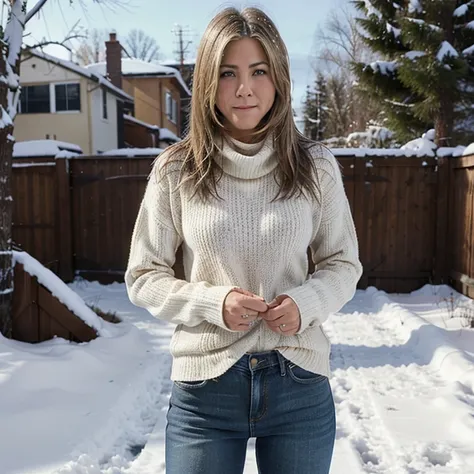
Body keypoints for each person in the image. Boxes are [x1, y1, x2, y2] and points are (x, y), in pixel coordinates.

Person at [125, 6, 363, 474]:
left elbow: (343, 263)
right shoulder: (177, 170)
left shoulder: (315, 166)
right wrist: (214, 304)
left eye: (259, 71)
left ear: (279, 78)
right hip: (205, 392)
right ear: (208, 84)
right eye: (228, 73)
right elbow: (143, 276)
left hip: (299, 383)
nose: (245, 88)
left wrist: (307, 301)